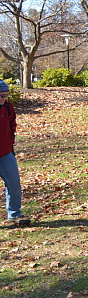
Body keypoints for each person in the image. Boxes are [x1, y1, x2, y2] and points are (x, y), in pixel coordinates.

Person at [0, 80, 28, 226]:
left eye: (6, 96)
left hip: (5, 153)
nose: (4, 99)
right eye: (1, 96)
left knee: (14, 183)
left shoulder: (8, 106)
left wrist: (10, 142)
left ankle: (14, 214)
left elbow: (12, 124)